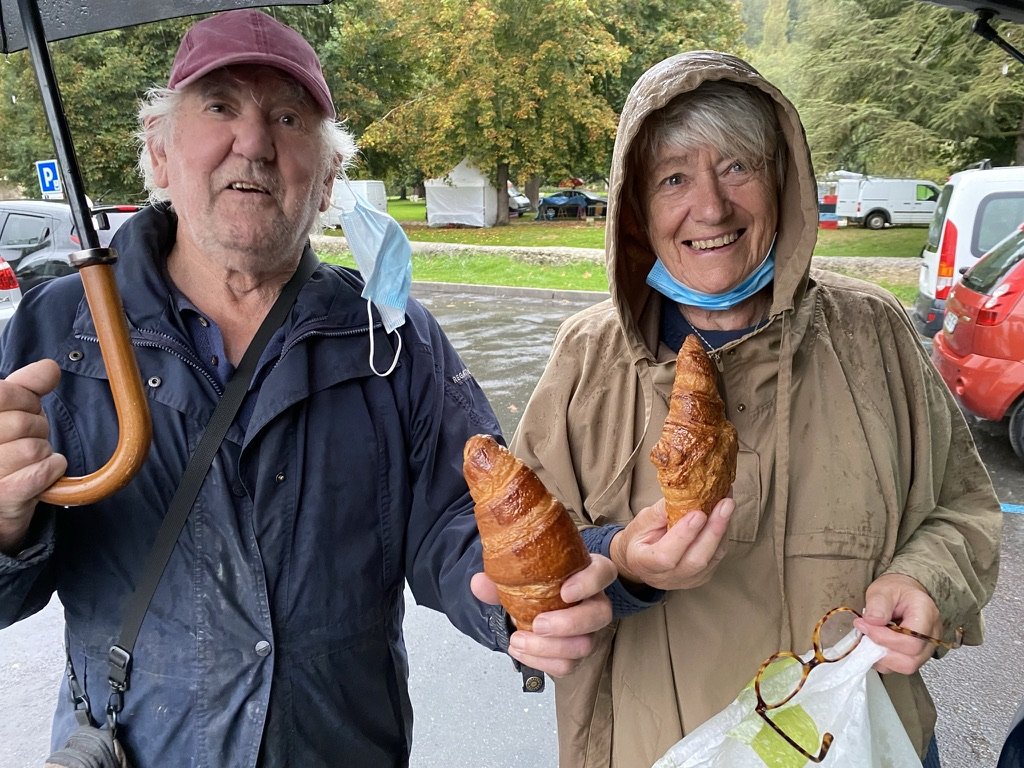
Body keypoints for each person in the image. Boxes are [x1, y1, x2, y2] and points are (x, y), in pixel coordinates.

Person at [0, 10, 614, 767]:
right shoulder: (63, 330)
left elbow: (460, 523)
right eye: (220, 106)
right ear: (159, 152)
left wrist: (530, 604)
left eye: (288, 118)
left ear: (325, 181)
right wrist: (4, 522)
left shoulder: (391, 337)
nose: (253, 143)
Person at [509, 50, 1003, 768]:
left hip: (863, 742)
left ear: (783, 183)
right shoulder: (587, 358)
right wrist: (617, 561)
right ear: (638, 214)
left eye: (737, 166)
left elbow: (963, 509)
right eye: (673, 178)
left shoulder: (873, 334)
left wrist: (927, 581)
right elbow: (526, 570)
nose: (710, 207)